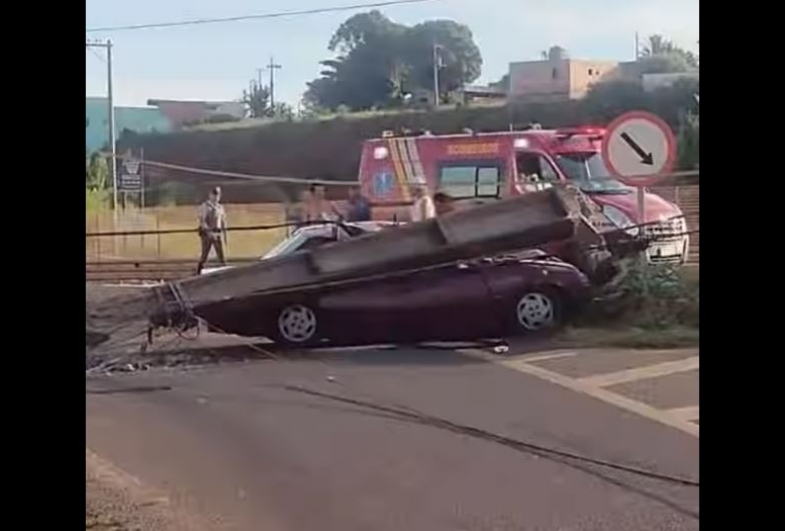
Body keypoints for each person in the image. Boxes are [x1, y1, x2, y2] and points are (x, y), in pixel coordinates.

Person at [196, 187, 227, 275]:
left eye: (217, 195)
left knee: (221, 255)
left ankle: (225, 271)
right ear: (210, 195)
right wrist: (208, 232)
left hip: (217, 233)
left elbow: (223, 220)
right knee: (204, 254)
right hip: (207, 234)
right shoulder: (205, 206)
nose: (215, 197)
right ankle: (198, 272)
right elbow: (202, 220)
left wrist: (224, 234)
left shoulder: (220, 207)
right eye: (214, 195)